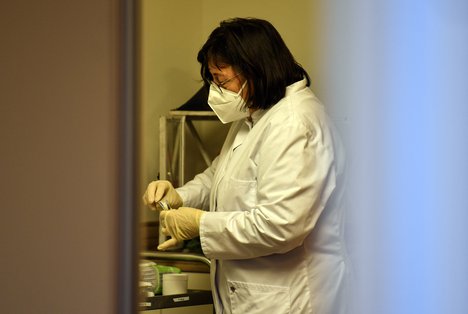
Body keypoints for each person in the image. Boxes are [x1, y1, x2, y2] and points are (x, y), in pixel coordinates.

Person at [143, 17, 350, 314]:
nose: (216, 90)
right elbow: (220, 174)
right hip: (255, 297)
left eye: (223, 80)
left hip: (292, 300)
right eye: (213, 80)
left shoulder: (294, 123)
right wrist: (179, 196)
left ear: (256, 69)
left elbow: (281, 226)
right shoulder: (255, 117)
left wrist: (201, 224)